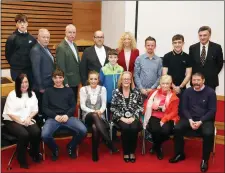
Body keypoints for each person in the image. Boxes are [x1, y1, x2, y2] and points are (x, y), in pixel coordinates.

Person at [169, 73, 217, 173]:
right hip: (189, 118)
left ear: (203, 80)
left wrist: (200, 121)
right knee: (177, 128)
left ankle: (205, 159)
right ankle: (179, 154)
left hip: (205, 120)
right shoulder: (187, 92)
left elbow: (212, 110)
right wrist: (190, 120)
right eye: (194, 80)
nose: (196, 82)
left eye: (198, 80)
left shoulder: (211, 92)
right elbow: (184, 108)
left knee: (208, 133)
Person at [41, 68, 87, 161]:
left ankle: (71, 146)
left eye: (60, 77)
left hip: (68, 117)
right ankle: (55, 149)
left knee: (83, 130)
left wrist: (67, 115)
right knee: (44, 135)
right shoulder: (48, 91)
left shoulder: (69, 90)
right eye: (56, 78)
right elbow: (44, 108)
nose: (58, 80)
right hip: (53, 118)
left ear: (63, 78)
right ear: (52, 79)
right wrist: (55, 116)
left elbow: (73, 106)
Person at [2, 74, 41, 169]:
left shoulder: (32, 94)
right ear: (17, 83)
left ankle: (33, 152)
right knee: (24, 134)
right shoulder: (12, 95)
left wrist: (29, 118)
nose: (24, 84)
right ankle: (21, 159)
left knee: (36, 132)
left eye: (26, 82)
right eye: (21, 82)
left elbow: (35, 109)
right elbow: (10, 113)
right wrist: (22, 122)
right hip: (12, 120)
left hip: (27, 119)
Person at [80, 71, 119, 162]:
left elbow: (104, 104)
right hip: (87, 115)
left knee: (95, 127)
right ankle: (109, 142)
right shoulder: (83, 89)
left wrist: (100, 111)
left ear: (98, 80)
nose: (93, 81)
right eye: (91, 79)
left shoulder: (103, 89)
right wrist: (95, 112)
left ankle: (94, 152)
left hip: (100, 115)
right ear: (88, 80)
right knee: (93, 116)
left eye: (95, 79)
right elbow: (82, 106)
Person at [143, 75, 180, 160]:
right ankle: (158, 149)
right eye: (163, 83)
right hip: (154, 115)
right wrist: (148, 108)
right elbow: (146, 103)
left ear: (171, 84)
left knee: (166, 131)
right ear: (160, 83)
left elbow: (174, 112)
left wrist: (164, 120)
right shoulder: (153, 93)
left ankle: (155, 146)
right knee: (155, 130)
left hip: (167, 117)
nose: (165, 86)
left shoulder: (174, 97)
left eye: (167, 84)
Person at [111, 71, 143, 163]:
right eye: (124, 78)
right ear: (121, 80)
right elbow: (113, 108)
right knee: (125, 128)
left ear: (131, 80)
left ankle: (132, 151)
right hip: (120, 117)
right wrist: (122, 118)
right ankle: (126, 152)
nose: (126, 80)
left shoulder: (136, 92)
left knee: (133, 128)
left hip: (134, 117)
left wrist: (133, 117)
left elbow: (140, 107)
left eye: (128, 79)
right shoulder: (116, 92)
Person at [5, 14, 37, 85]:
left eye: (24, 22)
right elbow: (8, 55)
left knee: (29, 92)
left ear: (27, 24)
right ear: (16, 24)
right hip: (16, 71)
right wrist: (16, 65)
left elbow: (34, 54)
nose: (22, 24)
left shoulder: (33, 38)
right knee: (18, 93)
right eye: (19, 22)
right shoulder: (11, 38)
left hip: (29, 71)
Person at [99, 49, 124, 141]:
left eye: (115, 57)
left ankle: (113, 135)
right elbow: (100, 83)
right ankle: (106, 136)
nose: (113, 59)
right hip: (107, 97)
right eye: (111, 57)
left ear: (117, 58)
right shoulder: (103, 69)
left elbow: (122, 83)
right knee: (106, 117)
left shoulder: (121, 69)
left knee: (115, 116)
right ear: (108, 58)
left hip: (118, 98)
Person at [189, 26, 223, 90]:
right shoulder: (192, 48)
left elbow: (220, 64)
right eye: (200, 35)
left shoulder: (217, 47)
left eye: (205, 35)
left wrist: (212, 73)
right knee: (195, 99)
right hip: (196, 82)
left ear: (209, 35)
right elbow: (191, 64)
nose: (202, 37)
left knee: (210, 99)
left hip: (211, 81)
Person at [30, 28, 55, 117]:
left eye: (48, 37)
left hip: (49, 84)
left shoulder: (46, 48)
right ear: (38, 37)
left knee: (47, 108)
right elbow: (36, 70)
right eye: (44, 37)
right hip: (41, 87)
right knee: (41, 109)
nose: (46, 39)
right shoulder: (36, 50)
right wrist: (41, 87)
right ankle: (41, 128)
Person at [56, 24, 81, 105]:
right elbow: (60, 67)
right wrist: (65, 82)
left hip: (75, 81)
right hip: (68, 82)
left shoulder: (74, 45)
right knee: (67, 104)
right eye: (70, 32)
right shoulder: (61, 47)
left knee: (73, 103)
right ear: (65, 33)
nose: (72, 35)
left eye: (74, 32)